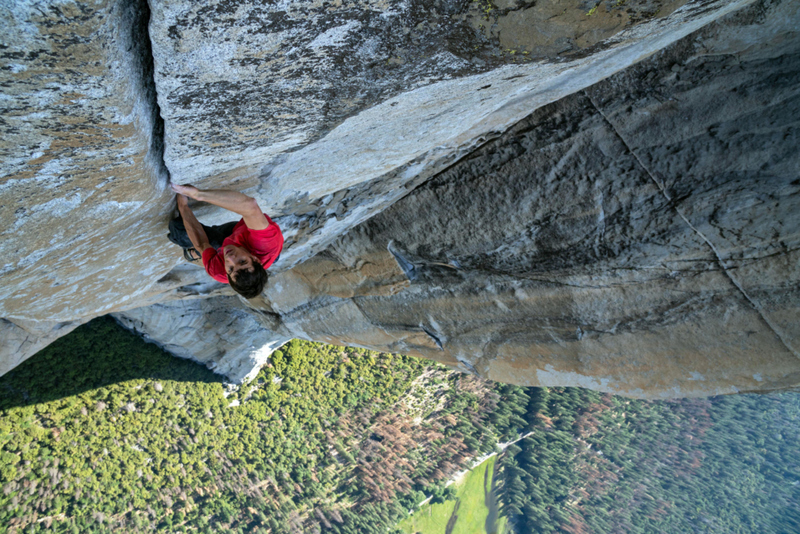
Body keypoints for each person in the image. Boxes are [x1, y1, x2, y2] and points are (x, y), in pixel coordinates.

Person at [169, 184, 284, 299]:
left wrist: (183, 206)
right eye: (242, 261)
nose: (230, 258)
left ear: (227, 275)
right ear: (254, 259)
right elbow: (250, 207)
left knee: (179, 229)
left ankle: (193, 254)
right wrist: (198, 194)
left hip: (235, 243)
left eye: (231, 269)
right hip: (244, 237)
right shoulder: (265, 244)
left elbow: (201, 244)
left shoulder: (218, 271)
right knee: (229, 239)